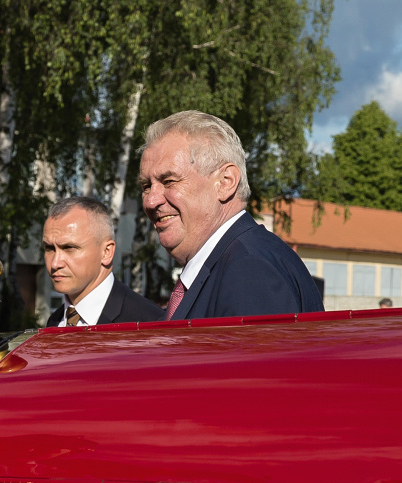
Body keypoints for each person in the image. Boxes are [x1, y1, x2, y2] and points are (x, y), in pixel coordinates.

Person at [139, 111, 322, 320]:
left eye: (169, 181)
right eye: (146, 186)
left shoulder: (250, 270)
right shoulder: (231, 263)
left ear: (225, 182)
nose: (151, 201)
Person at [41, 196, 163, 326]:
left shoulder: (149, 323)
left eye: (69, 248)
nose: (55, 263)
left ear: (106, 252)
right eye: (49, 248)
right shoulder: (56, 321)